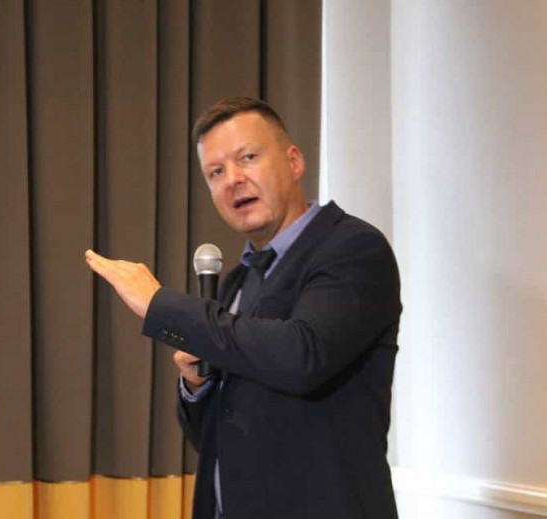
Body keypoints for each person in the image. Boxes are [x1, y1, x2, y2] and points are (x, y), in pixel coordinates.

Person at [85, 97, 401, 518]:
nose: (232, 179)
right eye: (215, 172)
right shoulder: (236, 281)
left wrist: (163, 305)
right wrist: (196, 386)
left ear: (294, 162)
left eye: (248, 158)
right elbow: (214, 437)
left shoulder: (353, 248)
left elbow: (303, 354)